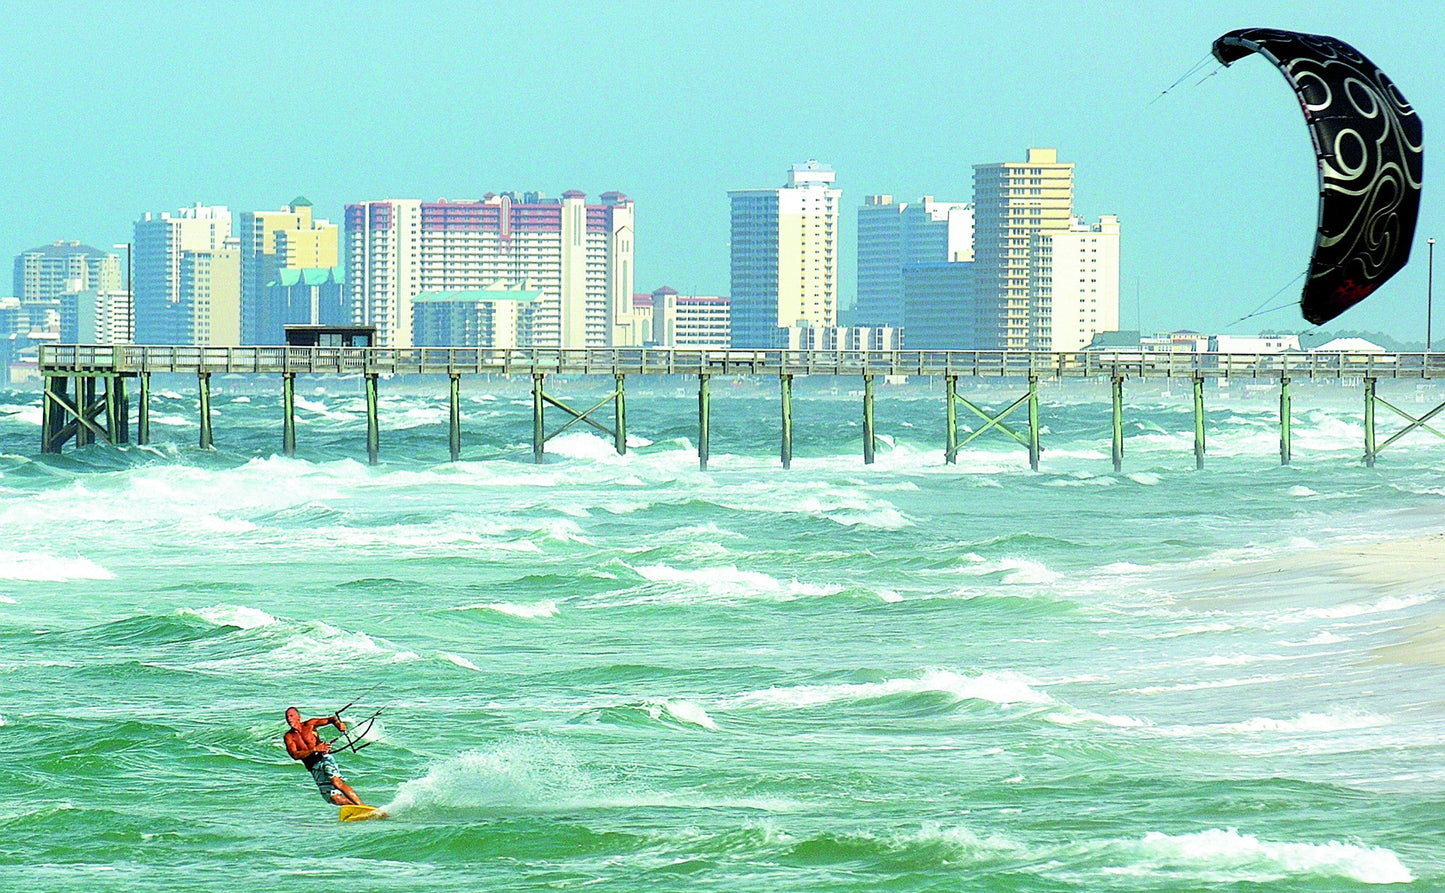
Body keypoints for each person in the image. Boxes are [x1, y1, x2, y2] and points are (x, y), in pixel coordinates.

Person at [284, 707, 365, 806]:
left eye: (291, 716)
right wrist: (314, 749)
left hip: (324, 758)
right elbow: (295, 755)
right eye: (287, 717)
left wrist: (338, 724)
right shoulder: (289, 736)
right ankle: (359, 808)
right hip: (313, 766)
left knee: (336, 782)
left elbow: (331, 719)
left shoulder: (310, 724)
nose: (289, 719)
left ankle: (361, 805)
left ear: (298, 717)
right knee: (333, 798)